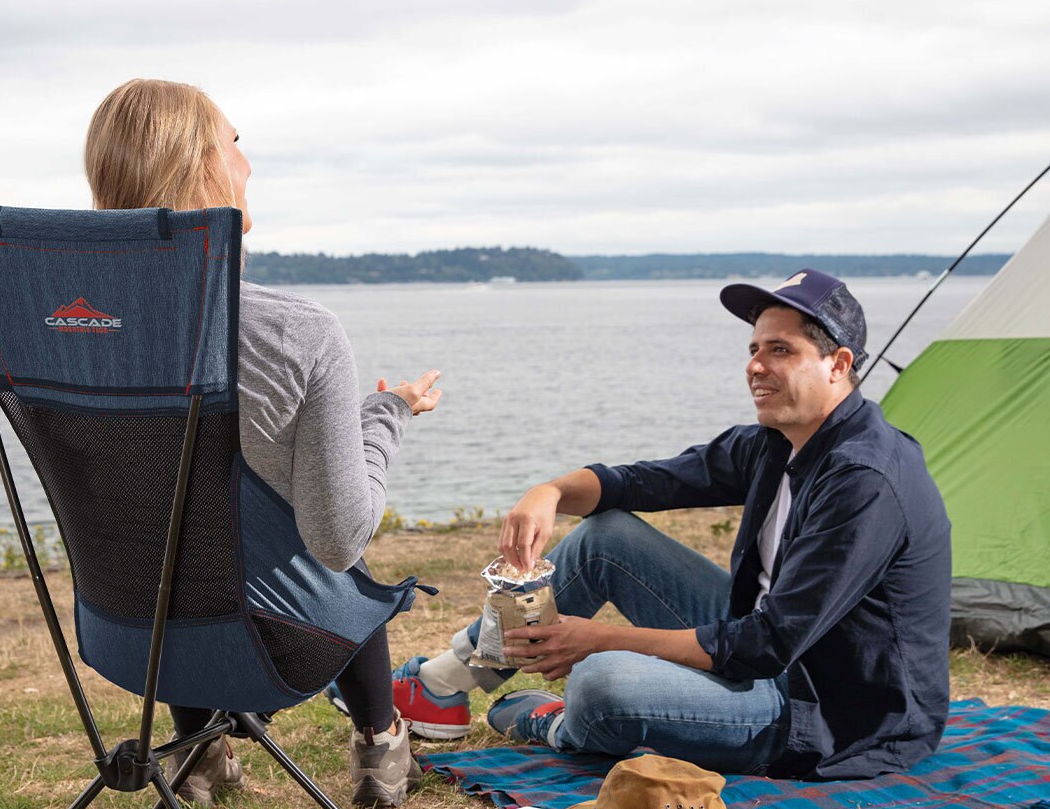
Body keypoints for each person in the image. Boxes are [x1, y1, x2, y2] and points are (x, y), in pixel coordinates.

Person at [393, 270, 952, 780]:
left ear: (839, 364)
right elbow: (640, 483)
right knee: (604, 539)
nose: (756, 365)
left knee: (602, 681)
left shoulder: (864, 479)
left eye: (781, 350)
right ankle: (442, 684)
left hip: (826, 708)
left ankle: (561, 724)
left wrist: (602, 641)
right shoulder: (775, 442)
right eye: (754, 348)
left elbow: (767, 645)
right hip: (761, 652)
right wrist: (550, 492)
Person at [85, 78, 442, 808]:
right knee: (335, 536)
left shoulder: (73, 335)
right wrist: (384, 416)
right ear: (202, 170)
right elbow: (339, 538)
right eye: (236, 144)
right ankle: (380, 742)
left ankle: (201, 753)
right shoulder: (297, 333)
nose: (248, 165)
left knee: (175, 518)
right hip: (270, 648)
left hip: (125, 640)